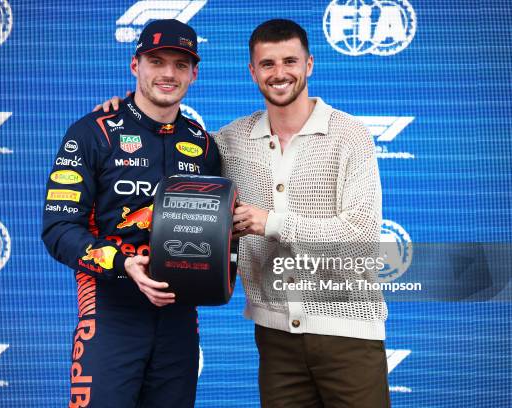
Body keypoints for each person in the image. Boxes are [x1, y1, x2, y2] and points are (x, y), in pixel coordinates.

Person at [97, 18, 389, 408]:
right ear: (252, 71)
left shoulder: (350, 135)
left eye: (290, 61)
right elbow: (167, 138)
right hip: (274, 338)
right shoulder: (229, 141)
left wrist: (270, 223)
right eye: (267, 64)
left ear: (309, 65)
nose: (280, 73)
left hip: (349, 332)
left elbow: (362, 239)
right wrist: (128, 111)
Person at [42, 19, 220, 408]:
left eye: (180, 63)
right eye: (156, 61)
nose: (168, 73)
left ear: (194, 72)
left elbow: (215, 233)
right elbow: (58, 229)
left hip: (178, 318)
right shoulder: (92, 133)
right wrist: (125, 265)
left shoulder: (204, 145)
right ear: (135, 65)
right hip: (110, 311)